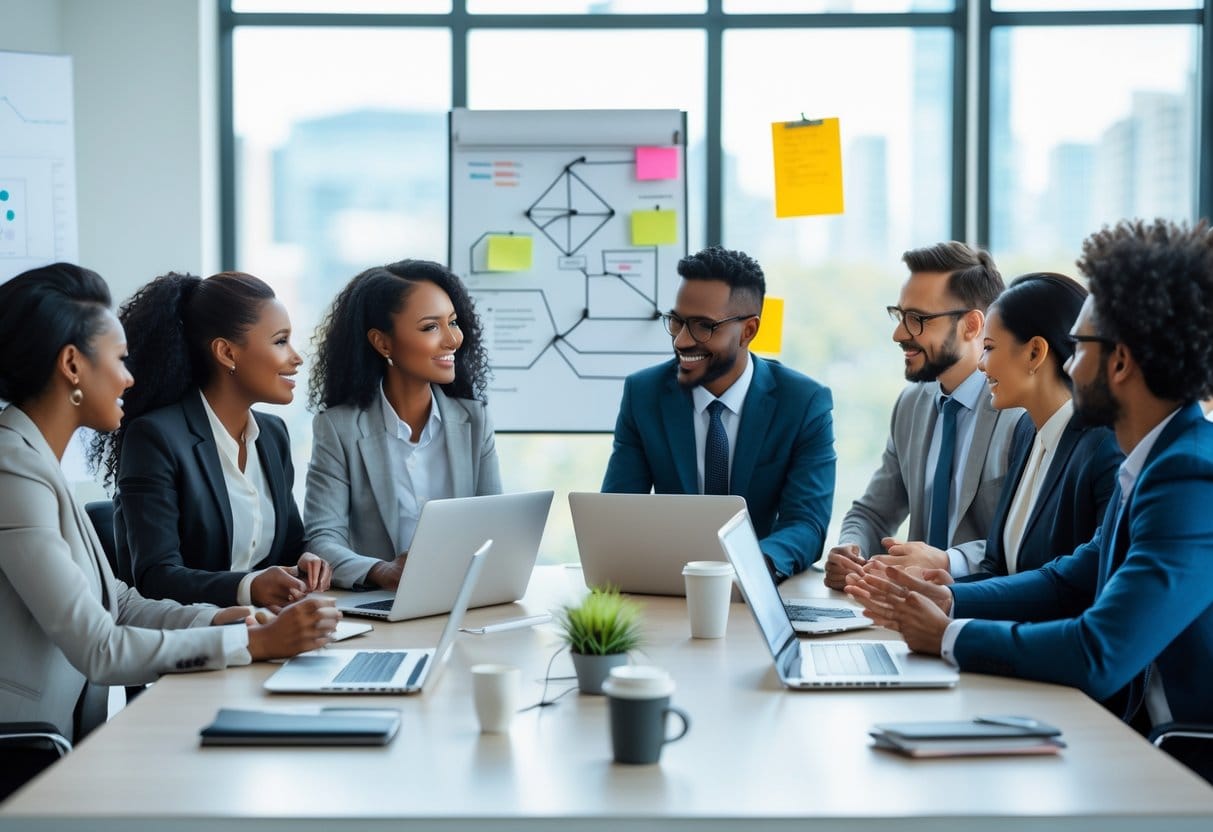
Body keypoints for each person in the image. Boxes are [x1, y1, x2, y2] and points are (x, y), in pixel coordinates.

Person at [845, 219, 1213, 781]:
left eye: (1080, 346)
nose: (1067, 364)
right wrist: (944, 601)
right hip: (1130, 737)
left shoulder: (1189, 475)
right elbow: (1068, 578)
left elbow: (1099, 652)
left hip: (1177, 759)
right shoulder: (1154, 460)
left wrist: (948, 634)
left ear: (1120, 362)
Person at [0, 263, 340, 749]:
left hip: (64, 744)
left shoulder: (33, 459)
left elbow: (118, 603)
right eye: (119, 360)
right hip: (22, 752)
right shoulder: (11, 468)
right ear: (73, 366)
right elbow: (100, 646)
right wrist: (252, 642)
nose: (129, 379)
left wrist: (228, 619)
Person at [90, 272, 332, 608]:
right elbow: (155, 577)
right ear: (227, 353)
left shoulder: (273, 435)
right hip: (193, 640)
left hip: (268, 629)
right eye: (280, 341)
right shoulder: (155, 437)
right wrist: (248, 587)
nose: (297, 357)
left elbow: (291, 547)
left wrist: (304, 563)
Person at [601, 245, 835, 580]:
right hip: (671, 581)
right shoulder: (644, 394)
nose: (682, 341)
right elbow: (617, 512)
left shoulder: (803, 402)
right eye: (677, 322)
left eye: (702, 327)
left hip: (759, 583)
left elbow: (806, 523)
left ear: (749, 331)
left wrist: (749, 570)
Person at [873, 273, 1123, 579]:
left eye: (989, 348)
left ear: (1035, 353)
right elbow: (999, 564)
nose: (980, 364)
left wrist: (950, 601)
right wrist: (940, 590)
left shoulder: (1102, 446)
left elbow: (1073, 584)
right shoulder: (1028, 433)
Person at [824, 242, 1018, 589]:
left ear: (972, 326)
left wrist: (948, 562)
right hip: (907, 610)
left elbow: (1025, 544)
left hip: (985, 613)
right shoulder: (912, 404)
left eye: (917, 320)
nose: (899, 334)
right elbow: (873, 512)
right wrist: (851, 548)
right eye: (899, 316)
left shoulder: (1018, 413)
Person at [305, 260, 500, 590]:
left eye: (452, 322)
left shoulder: (474, 420)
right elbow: (322, 540)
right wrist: (382, 571)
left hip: (462, 596)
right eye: (430, 327)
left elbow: (497, 527)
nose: (453, 339)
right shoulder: (339, 428)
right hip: (379, 602)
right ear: (383, 343)